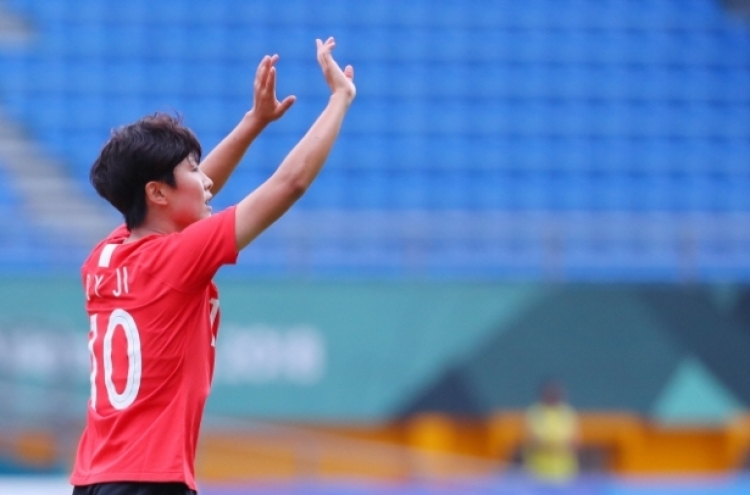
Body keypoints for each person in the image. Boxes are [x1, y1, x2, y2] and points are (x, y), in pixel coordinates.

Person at [69, 37, 355, 495]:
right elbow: (291, 183)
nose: (205, 180)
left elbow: (185, 200)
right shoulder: (176, 260)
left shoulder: (105, 257)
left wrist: (254, 122)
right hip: (151, 480)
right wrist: (340, 100)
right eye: (191, 169)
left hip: (95, 477)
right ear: (157, 192)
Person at [523, 379, 580, 484]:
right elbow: (532, 441)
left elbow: (575, 443)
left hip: (564, 474)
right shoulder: (535, 412)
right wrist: (557, 446)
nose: (554, 395)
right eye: (550, 392)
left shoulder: (567, 413)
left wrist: (552, 445)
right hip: (538, 473)